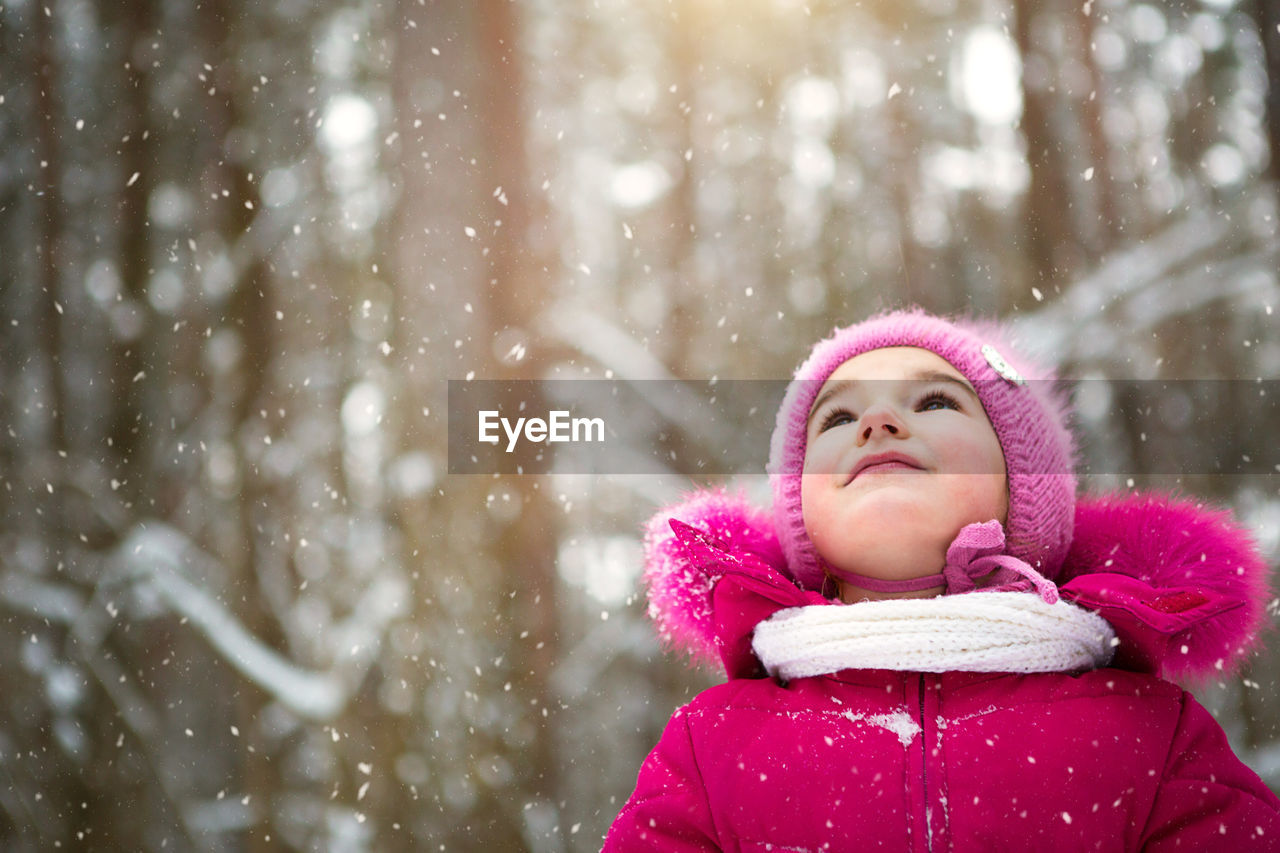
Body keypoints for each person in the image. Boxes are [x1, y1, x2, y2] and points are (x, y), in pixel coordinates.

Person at [603, 309, 1280, 852]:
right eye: (837, 417)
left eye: (934, 400)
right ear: (798, 513)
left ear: (1023, 487)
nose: (878, 422)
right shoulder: (714, 744)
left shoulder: (1147, 734)